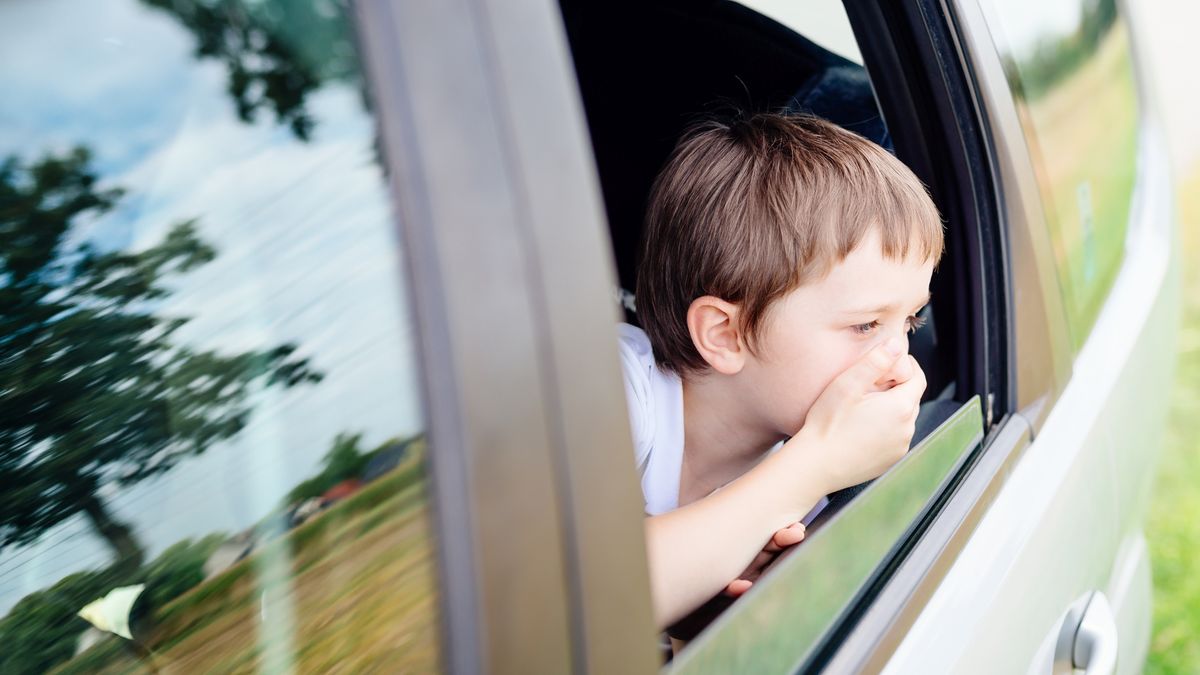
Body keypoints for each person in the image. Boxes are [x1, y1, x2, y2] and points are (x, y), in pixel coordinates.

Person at [619, 112, 943, 628]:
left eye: (910, 320)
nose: (901, 364)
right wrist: (814, 463)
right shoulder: (615, 395)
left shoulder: (805, 483)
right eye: (864, 326)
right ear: (727, 334)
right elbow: (577, 604)